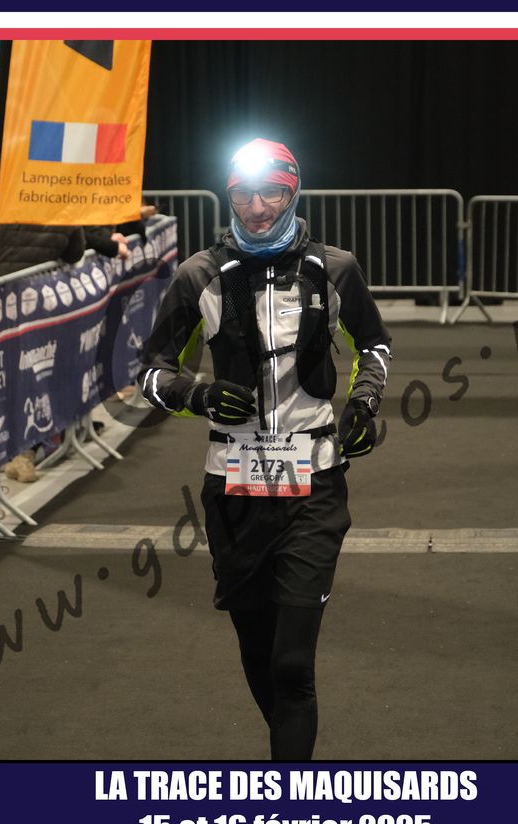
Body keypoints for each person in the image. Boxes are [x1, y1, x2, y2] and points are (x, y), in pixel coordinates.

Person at [137, 138, 391, 761]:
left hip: (315, 489)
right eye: (245, 195)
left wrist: (362, 404)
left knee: (292, 664)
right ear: (230, 196)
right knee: (257, 650)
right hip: (232, 493)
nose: (257, 208)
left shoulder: (335, 268)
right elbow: (150, 372)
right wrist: (197, 395)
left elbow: (375, 348)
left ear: (293, 192)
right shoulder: (198, 274)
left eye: (271, 193)